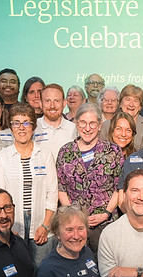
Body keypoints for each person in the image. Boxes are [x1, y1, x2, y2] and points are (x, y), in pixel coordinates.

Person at [0, 102, 58, 265]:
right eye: (16, 123)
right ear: (11, 127)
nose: (21, 127)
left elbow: (52, 193)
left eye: (26, 122)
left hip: (41, 226)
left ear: (33, 127)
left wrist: (45, 225)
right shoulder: (2, 157)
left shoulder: (45, 155)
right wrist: (8, 227)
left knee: (40, 275)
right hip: (13, 227)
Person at [56, 103, 123, 253]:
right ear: (76, 123)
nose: (87, 128)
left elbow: (119, 188)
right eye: (83, 123)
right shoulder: (65, 152)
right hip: (75, 228)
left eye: (92, 123)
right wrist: (74, 216)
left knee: (108, 270)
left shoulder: (113, 151)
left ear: (100, 125)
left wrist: (106, 213)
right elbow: (61, 189)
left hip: (106, 224)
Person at [35, 84, 78, 162]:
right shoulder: (33, 128)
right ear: (41, 104)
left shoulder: (74, 129)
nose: (52, 106)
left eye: (57, 101)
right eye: (47, 101)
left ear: (64, 103)